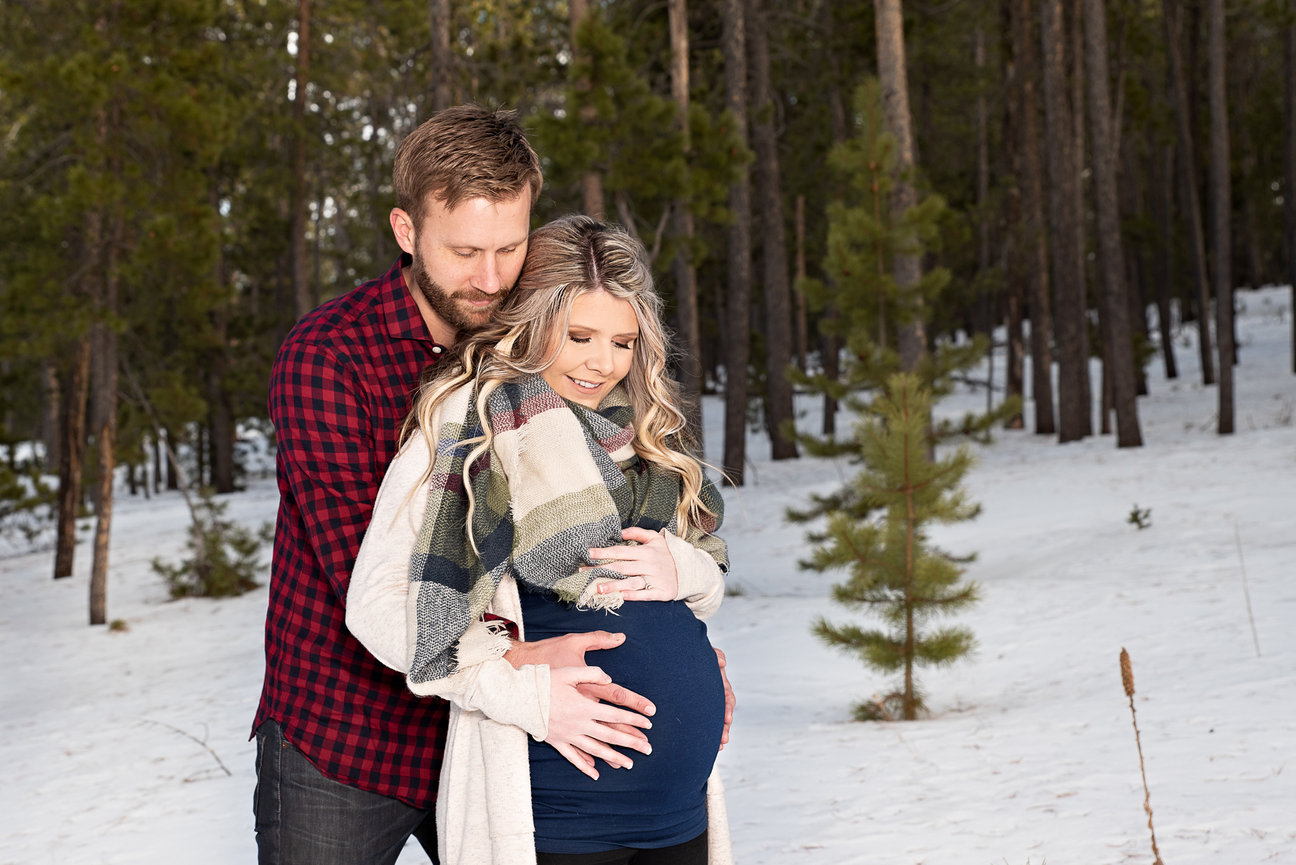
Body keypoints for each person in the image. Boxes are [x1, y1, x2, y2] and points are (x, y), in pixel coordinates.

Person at [253, 105, 731, 865]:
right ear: (406, 231)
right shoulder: (330, 357)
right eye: (464, 251)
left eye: (509, 248)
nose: (488, 279)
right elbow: (379, 584)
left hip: (499, 741)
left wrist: (678, 641)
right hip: (352, 737)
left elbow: (599, 528)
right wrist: (520, 662)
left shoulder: (538, 342)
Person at [347, 214, 733, 865]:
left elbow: (697, 581)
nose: (602, 362)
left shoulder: (641, 430)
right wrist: (520, 683)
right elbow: (379, 606)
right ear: (531, 321)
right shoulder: (472, 422)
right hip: (560, 808)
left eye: (622, 342)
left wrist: (688, 572)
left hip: (678, 811)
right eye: (579, 336)